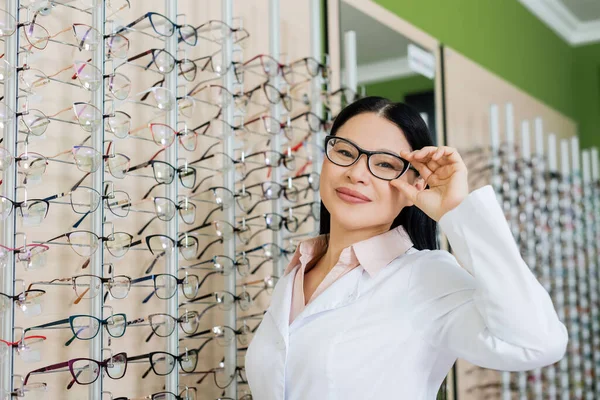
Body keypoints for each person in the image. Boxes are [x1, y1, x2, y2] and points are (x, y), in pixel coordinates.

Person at [244, 97, 568, 399]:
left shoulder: (426, 277)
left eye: (384, 164)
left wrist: (455, 208)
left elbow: (536, 342)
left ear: (414, 185)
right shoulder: (296, 273)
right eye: (344, 152)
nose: (356, 173)